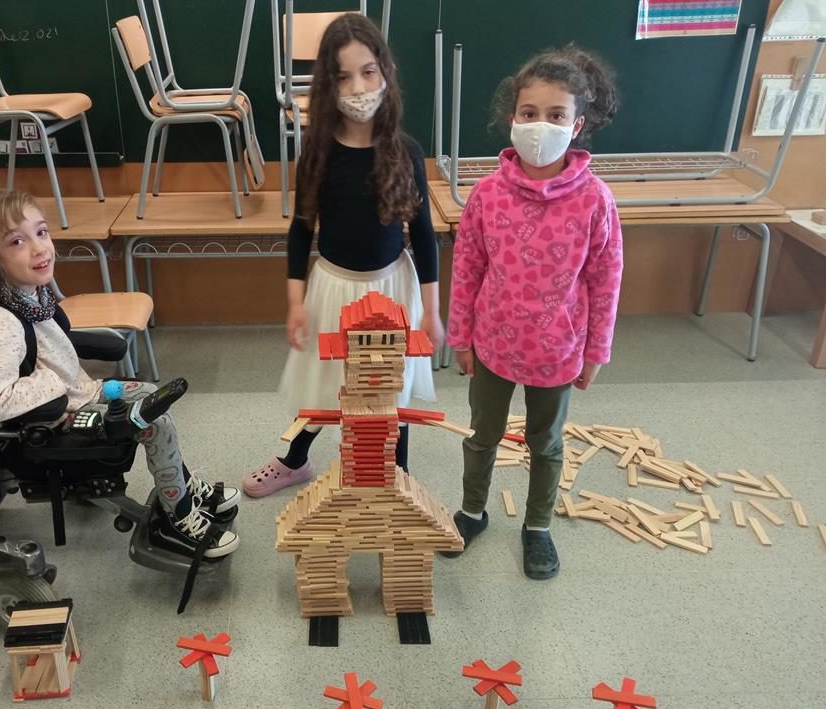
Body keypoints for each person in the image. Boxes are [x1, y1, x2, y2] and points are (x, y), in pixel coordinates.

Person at [0, 189, 239, 559]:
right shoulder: (3, 323)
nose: (39, 248)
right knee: (155, 422)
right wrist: (55, 382)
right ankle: (177, 517)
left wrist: (67, 379)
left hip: (81, 391)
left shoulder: (24, 293)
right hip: (58, 418)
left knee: (150, 394)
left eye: (41, 232)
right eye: (17, 241)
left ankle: (182, 485)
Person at [442, 46, 623, 579]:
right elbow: (468, 267)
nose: (540, 124)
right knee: (482, 436)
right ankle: (472, 512)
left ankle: (538, 526)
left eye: (556, 115)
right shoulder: (487, 194)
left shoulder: (594, 199)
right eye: (529, 112)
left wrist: (597, 351)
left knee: (546, 443)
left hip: (558, 350)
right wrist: (460, 337)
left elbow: (606, 279)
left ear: (577, 124)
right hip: (493, 342)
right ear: (512, 117)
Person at [244, 13, 442, 497]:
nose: (358, 88)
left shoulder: (406, 151)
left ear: (386, 72)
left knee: (389, 389)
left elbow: (423, 234)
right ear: (327, 86)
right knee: (325, 382)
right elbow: (300, 230)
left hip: (393, 289)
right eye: (343, 76)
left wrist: (432, 311)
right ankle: (295, 460)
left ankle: (397, 475)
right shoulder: (318, 153)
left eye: (368, 72)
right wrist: (295, 303)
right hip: (334, 287)